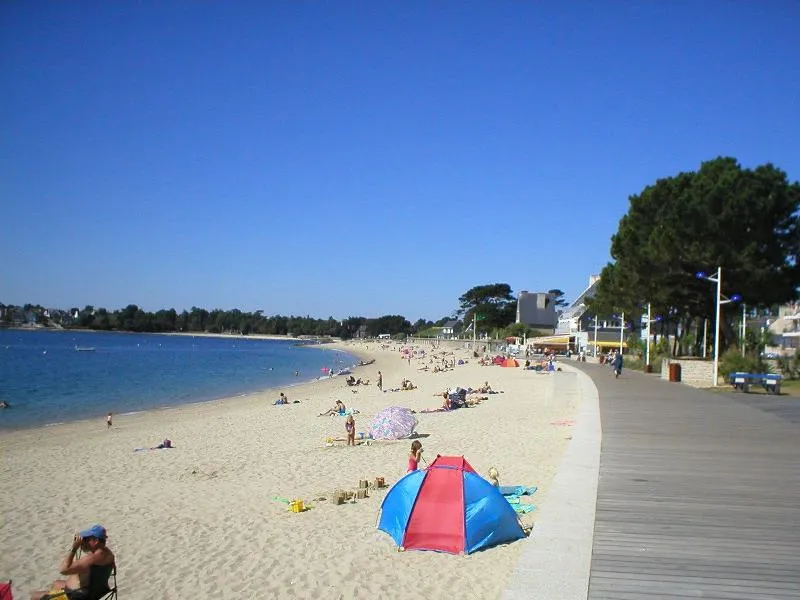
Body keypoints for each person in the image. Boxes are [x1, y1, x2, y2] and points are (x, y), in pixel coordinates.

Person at [30, 525, 115, 600]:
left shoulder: (90, 559)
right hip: (95, 591)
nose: (83, 541)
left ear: (95, 540)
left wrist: (74, 548)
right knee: (56, 583)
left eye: (86, 539)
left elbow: (63, 570)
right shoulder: (109, 554)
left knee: (35, 596)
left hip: (76, 596)